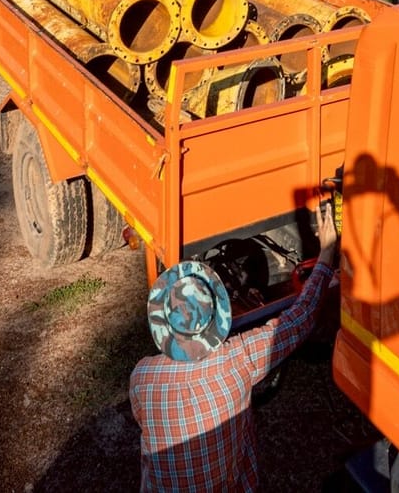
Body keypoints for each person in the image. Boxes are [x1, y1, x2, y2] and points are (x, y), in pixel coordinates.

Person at [129, 209, 340, 492]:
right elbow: (301, 317)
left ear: (164, 323)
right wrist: (326, 253)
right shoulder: (239, 359)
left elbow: (141, 420)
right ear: (216, 317)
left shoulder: (142, 377)